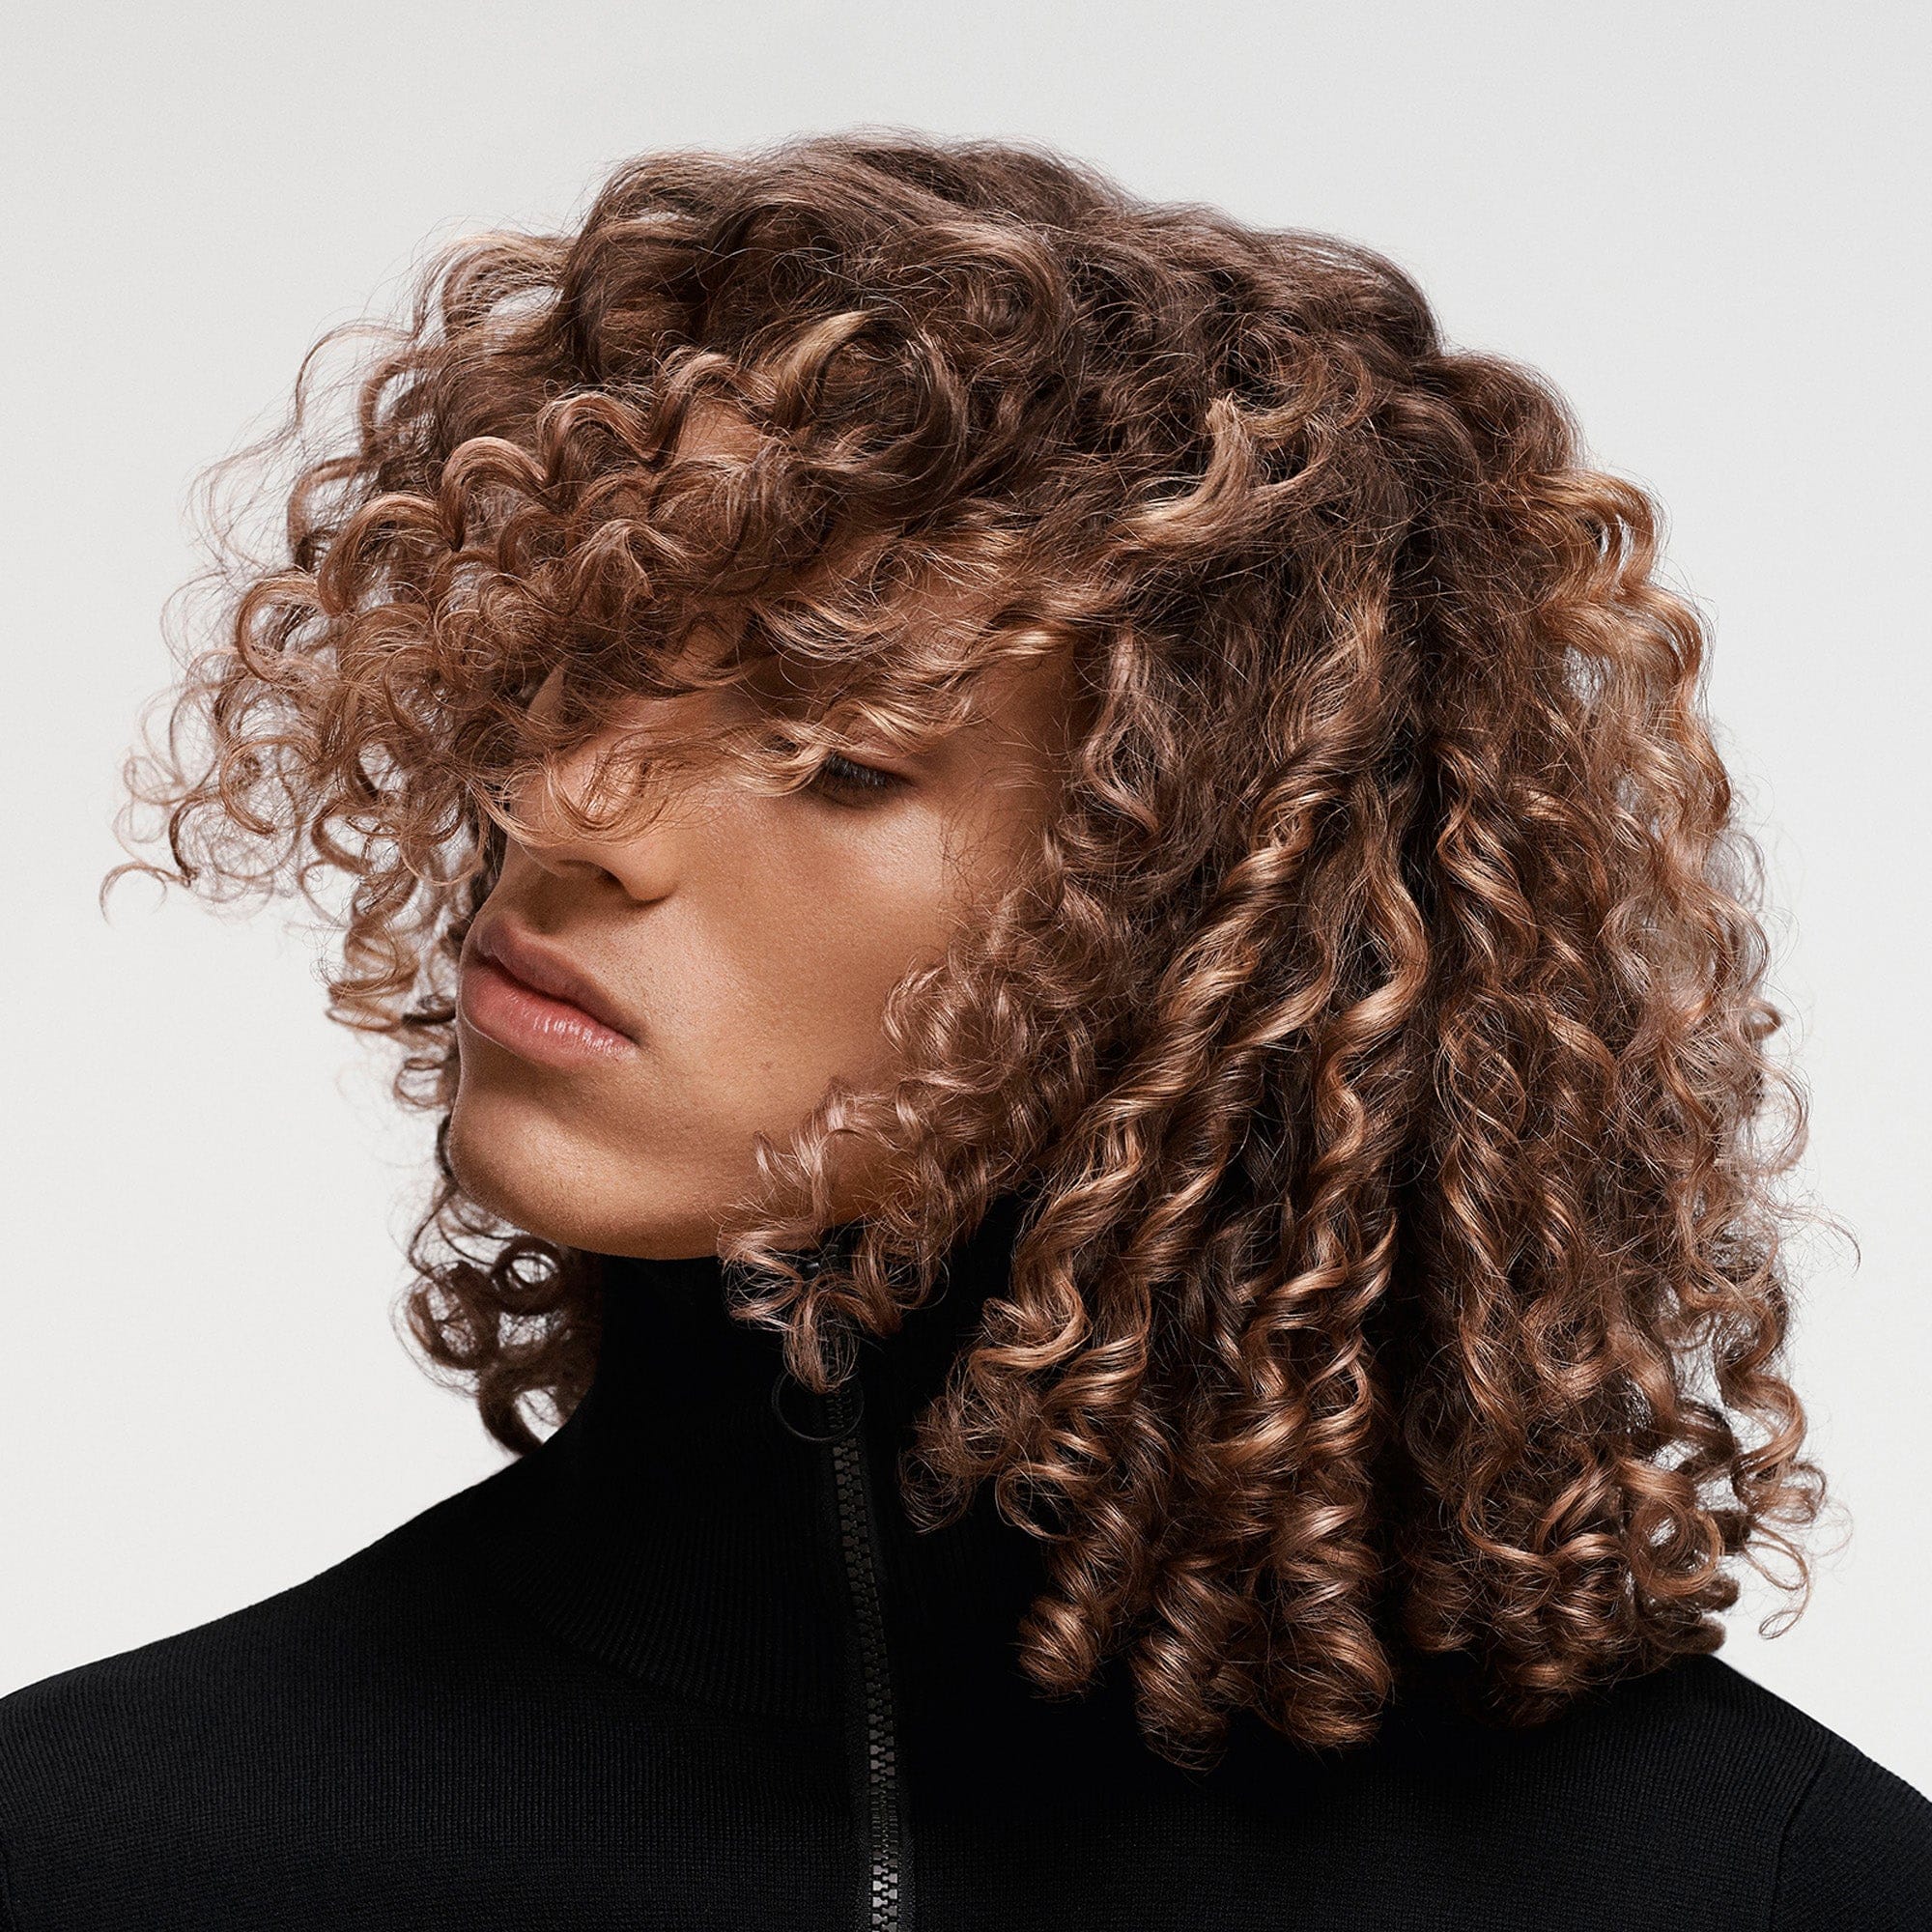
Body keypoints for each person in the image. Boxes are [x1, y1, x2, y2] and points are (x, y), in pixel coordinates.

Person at [1, 130, 1925, 1931]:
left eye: (838, 754)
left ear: (1208, 922)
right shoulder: (100, 1847)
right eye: (594, 658)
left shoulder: (1758, 1888)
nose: (573, 802)